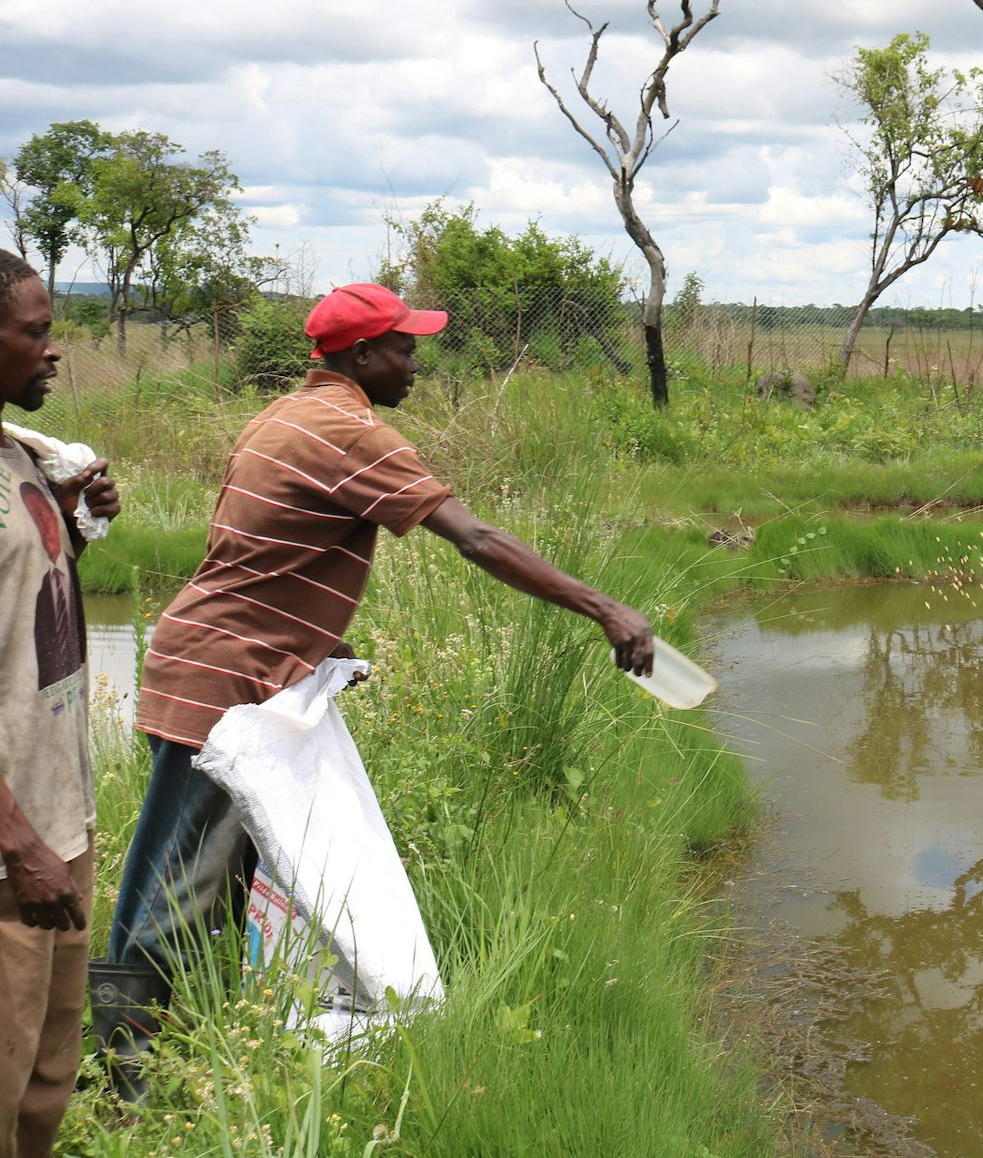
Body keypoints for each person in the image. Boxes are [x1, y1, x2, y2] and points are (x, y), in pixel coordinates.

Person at [98, 283, 653, 1097]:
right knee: (182, 882)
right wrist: (604, 609)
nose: (416, 363)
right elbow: (478, 538)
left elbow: (260, 554)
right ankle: (124, 1090)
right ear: (361, 355)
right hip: (226, 681)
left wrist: (318, 640)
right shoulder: (350, 431)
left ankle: (167, 1051)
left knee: (211, 873)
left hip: (214, 663)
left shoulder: (284, 414)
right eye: (404, 347)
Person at [0, 249, 121, 1156]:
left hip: (60, 826)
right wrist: (19, 847)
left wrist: (74, 525)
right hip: (15, 853)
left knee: (45, 1085)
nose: (53, 351)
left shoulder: (20, 458)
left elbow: (31, 616)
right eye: (36, 332)